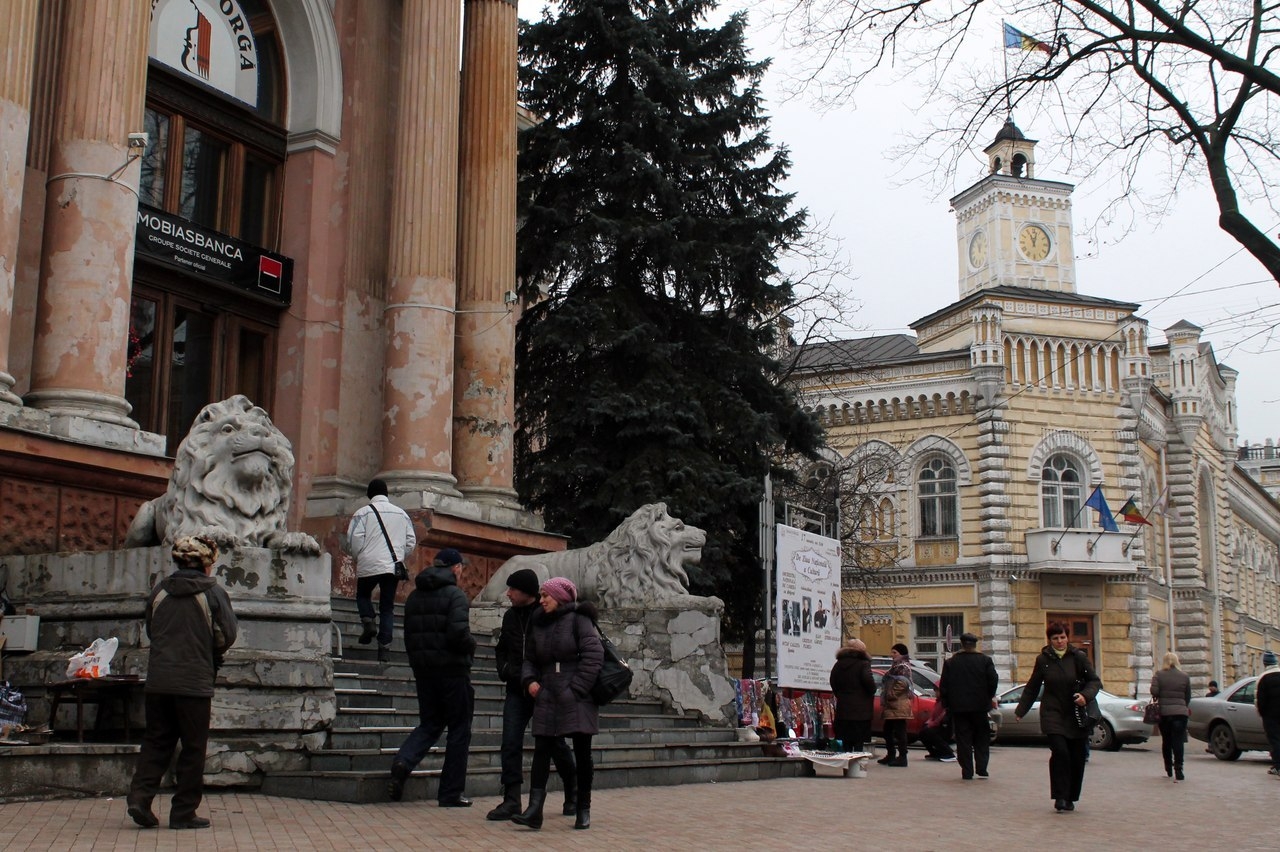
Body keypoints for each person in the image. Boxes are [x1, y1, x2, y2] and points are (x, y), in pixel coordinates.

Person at [127, 535, 238, 830]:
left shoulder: (159, 591)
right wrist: (208, 651)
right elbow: (226, 635)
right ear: (207, 565)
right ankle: (183, 812)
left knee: (156, 740)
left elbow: (152, 628)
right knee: (192, 747)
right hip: (194, 683)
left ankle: (140, 798)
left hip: (159, 680)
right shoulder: (213, 593)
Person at [387, 548, 476, 806]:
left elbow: (410, 636)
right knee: (459, 728)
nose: (462, 571)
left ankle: (404, 761)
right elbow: (458, 634)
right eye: (461, 567)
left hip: (424, 670)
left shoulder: (414, 597)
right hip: (452, 671)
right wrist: (471, 646)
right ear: (455, 568)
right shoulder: (455, 596)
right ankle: (450, 792)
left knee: (430, 723)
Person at [512, 577, 603, 831]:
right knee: (542, 748)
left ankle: (582, 808)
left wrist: (575, 690)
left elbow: (594, 656)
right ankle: (534, 810)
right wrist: (529, 680)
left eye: (545, 596)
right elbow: (529, 657)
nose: (541, 601)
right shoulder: (538, 622)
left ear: (560, 597)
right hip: (547, 693)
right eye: (540, 596)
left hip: (577, 696)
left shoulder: (579, 619)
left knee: (582, 752)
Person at [487, 567, 576, 821]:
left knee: (555, 745)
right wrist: (505, 670)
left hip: (544, 690)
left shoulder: (546, 613)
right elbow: (502, 649)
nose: (508, 594)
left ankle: (573, 791)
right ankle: (511, 799)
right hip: (517, 688)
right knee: (510, 742)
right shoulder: (510, 617)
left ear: (526, 592)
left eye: (512, 589)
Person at [1014, 622, 1101, 813]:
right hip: (1052, 713)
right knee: (1060, 752)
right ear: (1049, 640)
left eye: (1062, 637)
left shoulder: (1078, 657)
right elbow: (1032, 686)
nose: (1059, 641)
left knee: (1077, 757)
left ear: (1067, 637)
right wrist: (1021, 710)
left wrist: (1085, 696)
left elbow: (1094, 682)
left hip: (1076, 713)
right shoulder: (1043, 660)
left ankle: (1071, 797)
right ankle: (1060, 796)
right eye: (1055, 638)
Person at [346, 479, 415, 662]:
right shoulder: (401, 514)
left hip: (368, 563)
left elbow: (354, 539)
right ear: (386, 494)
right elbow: (410, 541)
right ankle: (384, 647)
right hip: (392, 566)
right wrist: (399, 555)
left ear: (370, 494)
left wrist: (359, 557)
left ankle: (368, 620)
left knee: (362, 595)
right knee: (387, 607)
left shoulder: (362, 513)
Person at [940, 632, 999, 780]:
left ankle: (967, 771)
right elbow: (993, 680)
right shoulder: (985, 661)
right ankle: (982, 768)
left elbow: (944, 686)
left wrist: (947, 704)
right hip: (980, 707)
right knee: (981, 737)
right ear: (975, 644)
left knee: (963, 740)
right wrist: (988, 697)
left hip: (959, 708)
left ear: (962, 644)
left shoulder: (951, 663)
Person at [1150, 651, 1192, 781]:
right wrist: (1182, 705)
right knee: (1178, 741)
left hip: (1165, 713)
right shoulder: (1184, 676)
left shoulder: (1159, 675)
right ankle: (1179, 769)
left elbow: (1154, 691)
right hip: (1180, 713)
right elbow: (1188, 696)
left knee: (1166, 741)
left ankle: (1168, 767)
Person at [829, 638, 876, 753]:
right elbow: (868, 681)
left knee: (846, 741)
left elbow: (833, 681)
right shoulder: (863, 664)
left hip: (844, 709)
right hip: (861, 711)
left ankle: (847, 767)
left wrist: (840, 695)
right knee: (858, 742)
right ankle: (856, 768)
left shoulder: (838, 664)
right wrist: (871, 691)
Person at [878, 643, 914, 767]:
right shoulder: (896, 666)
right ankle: (891, 754)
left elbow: (903, 684)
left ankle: (902, 757)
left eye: (894, 652)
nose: (892, 655)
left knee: (899, 731)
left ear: (901, 654)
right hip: (893, 704)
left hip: (899, 703)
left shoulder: (903, 666)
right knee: (888, 731)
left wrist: (890, 694)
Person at [1257, 649, 1280, 777]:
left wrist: (1262, 713)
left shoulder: (1264, 678)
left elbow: (1260, 700)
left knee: (1275, 740)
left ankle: (1278, 766)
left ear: (1265, 664)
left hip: (1270, 716)